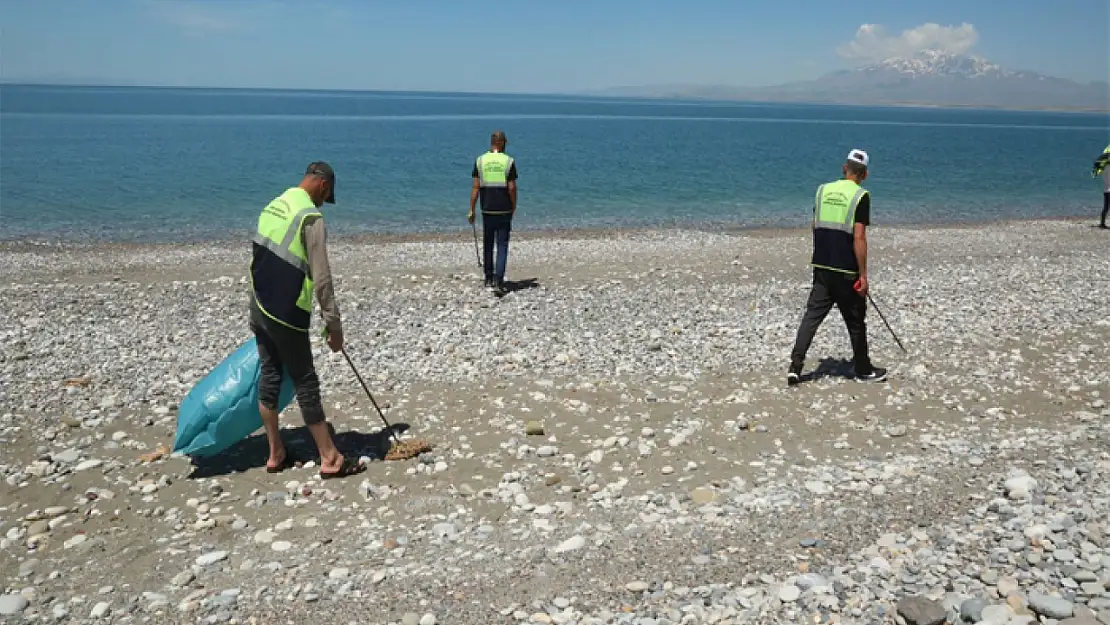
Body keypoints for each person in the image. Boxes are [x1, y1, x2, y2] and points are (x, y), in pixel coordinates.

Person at [248, 161, 365, 479]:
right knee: (306, 382)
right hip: (287, 312)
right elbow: (322, 278)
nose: (323, 203)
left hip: (259, 304)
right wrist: (334, 325)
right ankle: (330, 458)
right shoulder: (310, 217)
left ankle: (275, 453)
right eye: (326, 197)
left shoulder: (276, 204)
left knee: (270, 375)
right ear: (324, 186)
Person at [787, 149, 887, 386]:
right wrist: (863, 274)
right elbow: (859, 237)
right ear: (865, 174)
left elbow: (815, 225)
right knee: (855, 321)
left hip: (821, 265)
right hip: (845, 271)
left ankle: (795, 367)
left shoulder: (822, 190)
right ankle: (863, 369)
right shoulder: (861, 196)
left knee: (811, 318)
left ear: (845, 168)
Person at [468, 130, 518, 295]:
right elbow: (512, 188)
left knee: (488, 243)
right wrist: (514, 205)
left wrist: (471, 209)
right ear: (502, 143)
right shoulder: (508, 161)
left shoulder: (480, 160)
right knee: (502, 244)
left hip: (487, 208)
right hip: (504, 208)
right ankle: (499, 280)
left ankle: (488, 277)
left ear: (491, 142)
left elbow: (475, 187)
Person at [1092, 143, 1110, 229]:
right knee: (1106, 207)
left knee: (1106, 208)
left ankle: (1102, 223)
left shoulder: (1102, 169)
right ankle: (1102, 224)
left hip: (1106, 190)